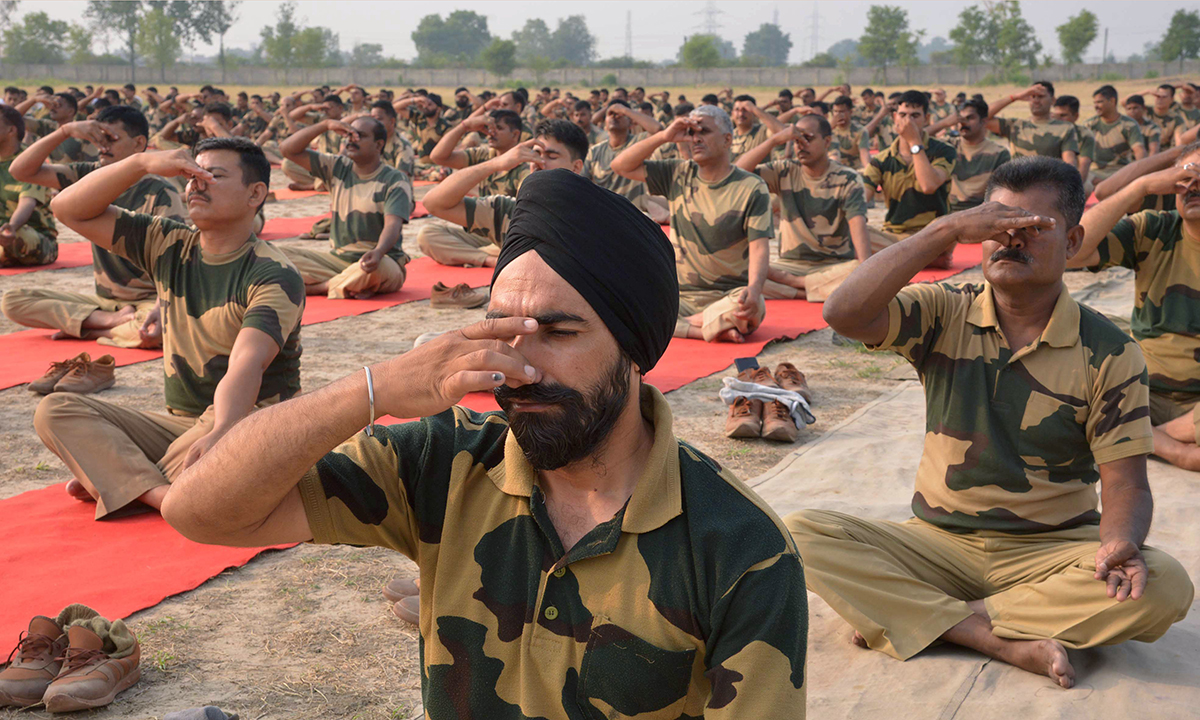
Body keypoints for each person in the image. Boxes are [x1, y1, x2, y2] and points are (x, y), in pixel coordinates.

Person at [160, 167, 808, 717]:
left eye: (558, 333)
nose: (519, 366)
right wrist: (371, 389)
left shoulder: (737, 550)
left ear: (635, 351)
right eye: (502, 328)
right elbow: (199, 511)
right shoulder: (446, 463)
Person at [788, 155, 1194, 689]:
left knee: (1164, 585)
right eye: (995, 225)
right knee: (798, 534)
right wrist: (944, 230)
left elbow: (1127, 484)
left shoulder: (1110, 350)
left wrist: (1121, 543)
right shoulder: (943, 311)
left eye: (1032, 227)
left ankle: (930, 616)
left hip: (1051, 550)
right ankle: (991, 635)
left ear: (1073, 242)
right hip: (937, 543)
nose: (1011, 239)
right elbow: (843, 313)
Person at [36, 138, 304, 518]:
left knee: (219, 454)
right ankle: (161, 494)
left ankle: (121, 479)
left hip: (248, 420)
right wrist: (141, 163)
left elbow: (248, 362)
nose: (196, 184)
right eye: (192, 176)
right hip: (179, 425)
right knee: (55, 409)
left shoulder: (272, 272)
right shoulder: (169, 243)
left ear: (255, 194)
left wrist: (221, 431)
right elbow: (67, 209)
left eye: (213, 176)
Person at [3, 106, 186, 348]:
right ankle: (110, 322)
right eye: (99, 138)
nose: (102, 146)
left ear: (139, 143)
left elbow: (175, 262)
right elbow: (20, 170)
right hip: (104, 302)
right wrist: (66, 131)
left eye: (111, 138)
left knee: (158, 329)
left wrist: (160, 307)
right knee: (13, 301)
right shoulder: (89, 176)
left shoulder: (161, 192)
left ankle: (89, 329)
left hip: (148, 300)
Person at [1067, 141, 1200, 471]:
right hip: (1141, 391)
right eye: (1184, 177)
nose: (1193, 186)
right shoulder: (1154, 228)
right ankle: (1174, 448)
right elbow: (1073, 252)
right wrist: (1139, 187)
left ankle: (1142, 437)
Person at [612, 105, 775, 343]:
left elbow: (759, 246)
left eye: (704, 131)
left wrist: (754, 289)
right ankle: (705, 328)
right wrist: (664, 136)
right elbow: (620, 166)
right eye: (691, 133)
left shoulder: (751, 187)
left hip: (729, 296)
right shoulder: (678, 173)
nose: (696, 139)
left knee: (752, 306)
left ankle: (676, 325)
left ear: (727, 140)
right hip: (681, 297)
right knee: (626, 303)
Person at [735, 114, 872, 303]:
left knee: (858, 272)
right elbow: (736, 174)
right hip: (790, 265)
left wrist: (865, 271)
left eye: (807, 138)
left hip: (833, 266)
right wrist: (775, 140)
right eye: (796, 140)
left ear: (827, 142)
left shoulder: (847, 179)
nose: (800, 145)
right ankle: (808, 291)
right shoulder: (785, 171)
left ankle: (795, 286)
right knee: (740, 274)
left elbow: (860, 236)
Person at [419, 119, 589, 269]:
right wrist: (495, 164)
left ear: (576, 167)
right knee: (428, 235)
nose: (539, 162)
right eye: (536, 153)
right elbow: (433, 203)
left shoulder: (591, 214)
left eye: (551, 156)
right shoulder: (511, 211)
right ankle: (493, 258)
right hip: (493, 237)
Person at [277, 116, 410, 300]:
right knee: (277, 255)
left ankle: (320, 287)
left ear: (378, 145)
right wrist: (325, 125)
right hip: (337, 261)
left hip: (378, 261)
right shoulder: (337, 167)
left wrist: (379, 252)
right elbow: (287, 150)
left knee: (377, 269)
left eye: (360, 136)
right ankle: (348, 283)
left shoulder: (394, 179)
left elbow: (392, 225)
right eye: (349, 135)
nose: (351, 140)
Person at [862, 90, 957, 268]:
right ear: (894, 118)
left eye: (915, 116)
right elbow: (860, 203)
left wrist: (914, 143)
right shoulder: (881, 160)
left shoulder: (943, 151)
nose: (908, 121)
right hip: (894, 236)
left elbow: (928, 185)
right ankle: (921, 259)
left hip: (931, 234)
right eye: (903, 115)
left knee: (950, 225)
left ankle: (900, 259)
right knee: (855, 231)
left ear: (926, 119)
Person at [582, 99, 664, 219]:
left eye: (620, 115)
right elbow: (582, 184)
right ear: (605, 123)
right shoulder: (595, 151)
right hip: (603, 214)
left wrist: (625, 110)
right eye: (610, 114)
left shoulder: (638, 143)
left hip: (633, 215)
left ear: (630, 123)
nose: (614, 117)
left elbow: (658, 130)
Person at [0, 105, 57, 267]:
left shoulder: (29, 161)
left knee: (18, 236)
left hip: (34, 235)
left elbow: (27, 203)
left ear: (11, 130)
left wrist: (11, 227)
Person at [429, 109, 529, 198]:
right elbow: (438, 157)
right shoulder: (483, 155)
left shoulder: (524, 166)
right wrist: (464, 126)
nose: (491, 132)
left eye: (499, 128)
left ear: (515, 134)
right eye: (490, 128)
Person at [984, 81, 1079, 164]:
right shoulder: (1015, 125)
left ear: (1052, 100)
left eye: (1041, 96)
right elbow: (983, 118)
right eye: (1033, 96)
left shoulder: (1065, 128)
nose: (1036, 101)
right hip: (1019, 178)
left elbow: (1069, 162)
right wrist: (1015, 97)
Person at [945, 98, 1012, 213]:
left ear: (984, 121)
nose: (963, 123)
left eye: (970, 118)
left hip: (982, 212)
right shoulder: (948, 146)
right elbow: (917, 140)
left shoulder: (999, 153)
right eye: (960, 119)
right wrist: (944, 123)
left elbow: (1001, 192)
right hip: (949, 211)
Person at [1087, 85, 1146, 183]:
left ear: (1112, 101)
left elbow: (1139, 150)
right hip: (1094, 173)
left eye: (1100, 102)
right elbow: (1081, 156)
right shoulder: (1089, 125)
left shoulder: (1128, 125)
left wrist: (1140, 172)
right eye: (1095, 103)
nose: (1096, 106)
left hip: (1120, 172)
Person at [1050, 96, 1095, 187]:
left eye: (1063, 115)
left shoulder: (1084, 135)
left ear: (1076, 116)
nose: (1058, 119)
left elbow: (1084, 166)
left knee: (1087, 187)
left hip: (1072, 176)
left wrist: (1073, 188)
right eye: (1056, 115)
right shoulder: (1048, 132)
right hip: (1048, 175)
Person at [729, 94, 785, 161]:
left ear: (754, 113)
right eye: (737, 110)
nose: (741, 114)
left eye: (745, 110)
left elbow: (782, 133)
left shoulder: (762, 131)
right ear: (732, 113)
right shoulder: (729, 136)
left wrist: (754, 109)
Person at [829, 95, 869, 171]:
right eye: (835, 111)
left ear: (850, 112)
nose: (838, 115)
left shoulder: (860, 131)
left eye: (841, 112)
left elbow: (864, 153)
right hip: (833, 169)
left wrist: (868, 170)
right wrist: (830, 128)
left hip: (854, 170)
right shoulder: (827, 129)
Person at [1148, 83, 1187, 149]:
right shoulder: (1145, 112)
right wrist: (1147, 91)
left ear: (1172, 99)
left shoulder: (1176, 119)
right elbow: (1128, 102)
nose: (1160, 99)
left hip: (1165, 153)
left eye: (1164, 97)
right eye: (1158, 96)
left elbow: (1179, 144)